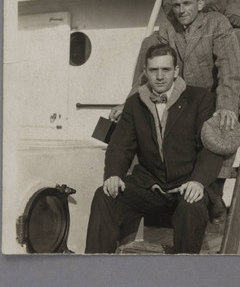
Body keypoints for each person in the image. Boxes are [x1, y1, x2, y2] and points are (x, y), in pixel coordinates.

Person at [112, 0, 240, 223]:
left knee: (221, 134)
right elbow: (149, 74)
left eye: (187, 3)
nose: (182, 10)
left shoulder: (217, 24)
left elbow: (230, 68)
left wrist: (226, 106)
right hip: (180, 104)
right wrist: (128, 102)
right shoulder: (167, 29)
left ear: (200, 4)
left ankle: (213, 197)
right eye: (176, 5)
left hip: (211, 103)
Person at [86, 44, 223, 254]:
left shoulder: (200, 99)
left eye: (166, 70)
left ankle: (184, 274)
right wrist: (113, 175)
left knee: (192, 206)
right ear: (145, 71)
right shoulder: (134, 103)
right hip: (149, 186)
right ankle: (94, 270)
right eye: (153, 70)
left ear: (176, 71)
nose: (159, 76)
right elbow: (120, 147)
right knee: (104, 196)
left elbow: (211, 148)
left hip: (186, 185)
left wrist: (198, 181)